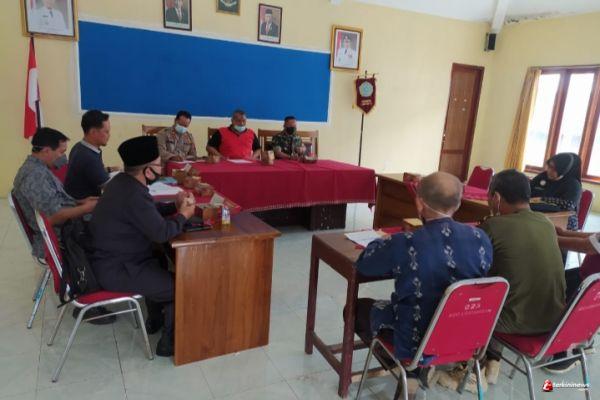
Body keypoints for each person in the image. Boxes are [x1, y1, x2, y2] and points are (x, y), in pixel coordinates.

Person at [352, 172, 492, 398]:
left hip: (414, 338)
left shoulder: (406, 242)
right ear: (458, 204)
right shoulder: (480, 238)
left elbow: (365, 265)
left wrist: (381, 242)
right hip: (464, 336)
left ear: (419, 203)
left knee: (355, 310)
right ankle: (420, 370)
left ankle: (411, 373)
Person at [89, 136, 196, 357]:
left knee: (158, 259)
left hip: (111, 259)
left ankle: (154, 320)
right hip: (118, 268)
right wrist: (184, 215)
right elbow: (161, 232)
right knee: (181, 286)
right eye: (158, 164)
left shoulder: (122, 182)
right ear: (147, 171)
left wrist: (173, 206)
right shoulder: (133, 194)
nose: (161, 168)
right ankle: (168, 343)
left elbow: (146, 212)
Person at [481, 169, 568, 378]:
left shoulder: (493, 225)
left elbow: (476, 271)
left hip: (515, 324)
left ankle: (473, 371)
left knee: (469, 293)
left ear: (496, 197)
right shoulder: (546, 223)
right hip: (554, 322)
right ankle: (492, 361)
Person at [13, 128, 98, 260]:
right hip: (63, 236)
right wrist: (87, 208)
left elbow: (55, 201)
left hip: (68, 226)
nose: (62, 157)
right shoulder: (34, 176)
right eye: (61, 152)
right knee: (114, 228)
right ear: (46, 151)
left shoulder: (40, 168)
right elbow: (53, 217)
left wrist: (80, 202)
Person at [65, 110, 119, 199]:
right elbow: (110, 188)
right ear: (93, 132)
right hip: (85, 204)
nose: (109, 135)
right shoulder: (88, 157)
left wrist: (110, 169)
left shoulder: (79, 146)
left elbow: (92, 172)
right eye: (106, 132)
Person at [530, 153, 582, 231]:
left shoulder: (573, 184)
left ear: (563, 170)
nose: (549, 170)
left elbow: (569, 204)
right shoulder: (542, 176)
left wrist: (541, 199)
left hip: (563, 221)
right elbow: (527, 190)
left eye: (553, 169)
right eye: (549, 167)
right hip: (538, 214)